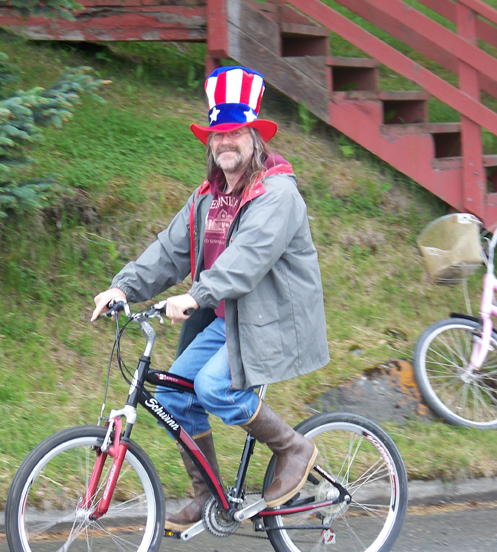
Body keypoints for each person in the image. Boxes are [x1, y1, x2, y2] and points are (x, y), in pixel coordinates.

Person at [91, 66, 329, 531]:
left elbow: (247, 259)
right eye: (218, 133)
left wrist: (196, 296)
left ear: (254, 137)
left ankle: (293, 447)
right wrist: (123, 286)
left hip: (271, 318)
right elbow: (170, 249)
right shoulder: (207, 198)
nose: (226, 142)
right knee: (175, 397)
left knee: (214, 388)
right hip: (228, 320)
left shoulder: (277, 193)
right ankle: (208, 497)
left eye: (236, 131)